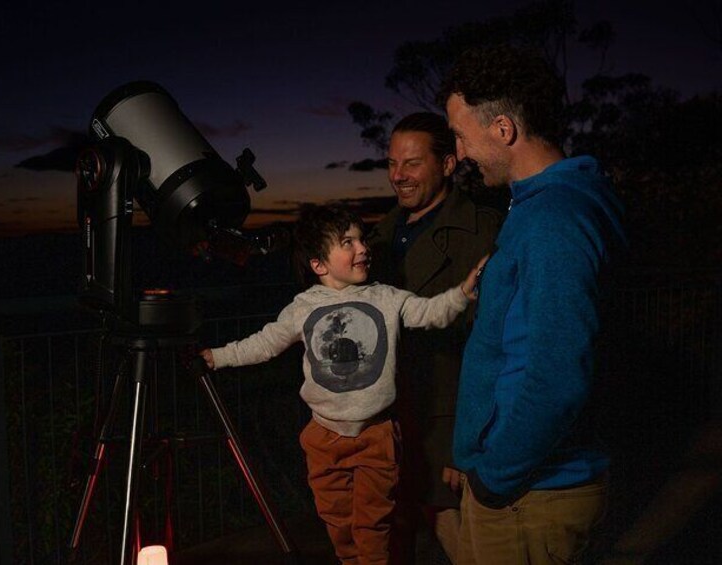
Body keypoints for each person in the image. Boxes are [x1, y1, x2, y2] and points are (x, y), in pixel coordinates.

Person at [200, 204, 485, 565]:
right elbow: (263, 343)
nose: (363, 248)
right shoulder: (304, 307)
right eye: (347, 242)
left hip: (375, 435)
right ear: (319, 264)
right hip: (324, 437)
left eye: (361, 239)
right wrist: (217, 356)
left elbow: (431, 312)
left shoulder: (387, 297)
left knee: (372, 527)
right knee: (339, 525)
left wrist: (462, 291)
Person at [441, 44, 628, 564]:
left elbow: (559, 373)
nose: (457, 153)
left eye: (460, 134)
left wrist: (495, 476)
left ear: (503, 129)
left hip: (531, 494)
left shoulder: (553, 220)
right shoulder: (549, 205)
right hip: (522, 486)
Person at [367, 112, 501, 563]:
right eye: (391, 164)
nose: (398, 176)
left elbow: (493, 343)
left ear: (447, 165)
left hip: (445, 420)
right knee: (393, 535)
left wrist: (468, 441)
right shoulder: (380, 235)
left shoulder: (482, 231)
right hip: (386, 417)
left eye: (411, 164)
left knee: (461, 539)